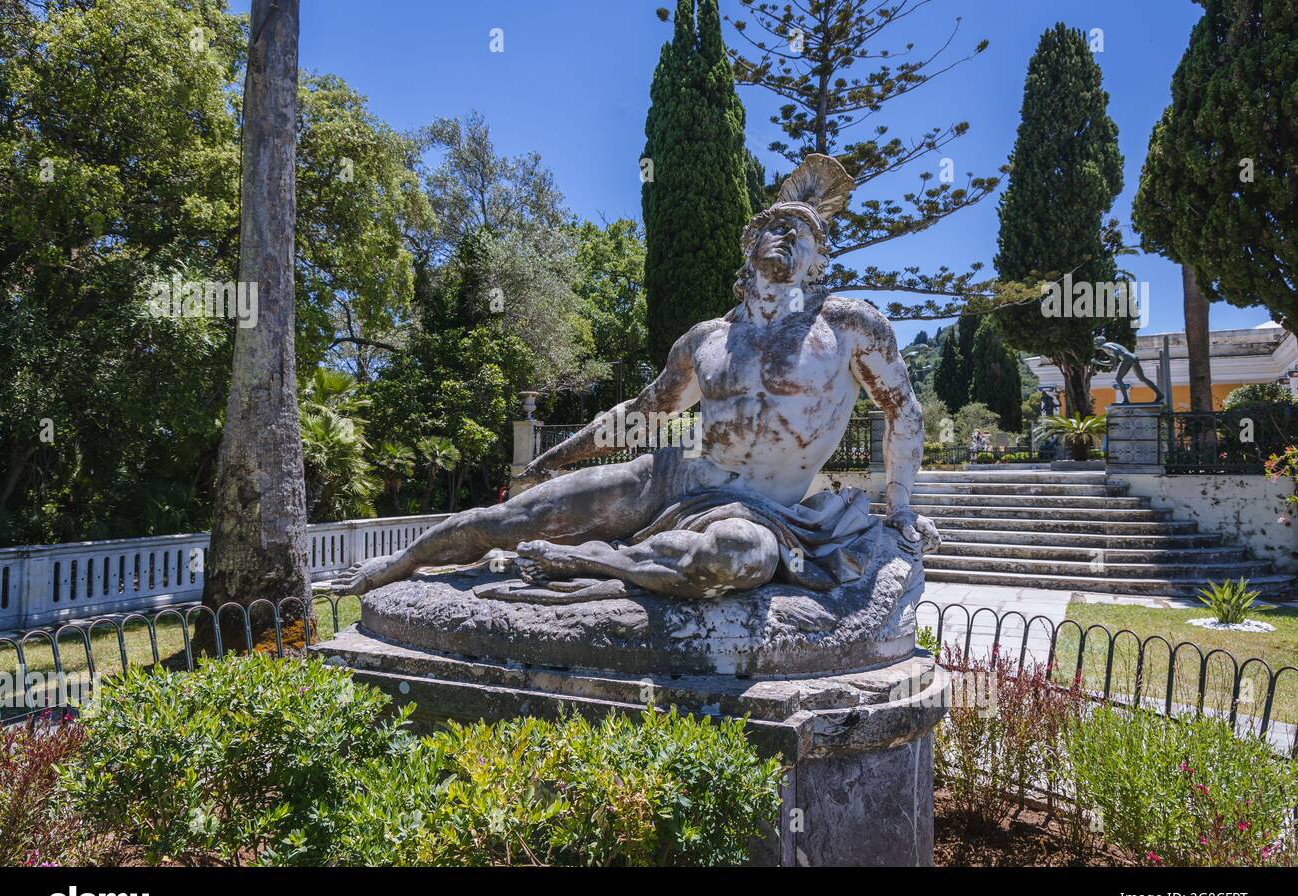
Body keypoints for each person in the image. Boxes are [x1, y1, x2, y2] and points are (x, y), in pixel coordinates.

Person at [333, 155, 938, 600]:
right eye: (775, 228)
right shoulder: (708, 339)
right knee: (514, 519)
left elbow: (903, 411)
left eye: (802, 235)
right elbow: (644, 413)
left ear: (816, 259)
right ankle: (395, 566)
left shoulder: (849, 325)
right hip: (670, 474)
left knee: (736, 558)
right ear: (749, 244)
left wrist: (903, 506)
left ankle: (596, 565)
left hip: (757, 511)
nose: (787, 239)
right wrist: (557, 456)